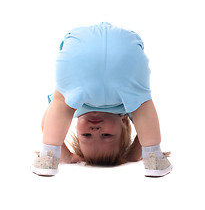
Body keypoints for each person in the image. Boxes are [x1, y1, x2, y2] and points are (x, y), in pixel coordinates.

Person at [31, 22, 172, 177]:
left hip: (81, 54)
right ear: (124, 122)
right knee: (142, 106)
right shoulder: (126, 108)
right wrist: (132, 153)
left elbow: (46, 123)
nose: (95, 131)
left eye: (87, 136)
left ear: (76, 128)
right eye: (106, 136)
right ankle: (153, 158)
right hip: (124, 56)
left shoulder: (75, 103)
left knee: (60, 102)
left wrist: (66, 155)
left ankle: (49, 157)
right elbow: (146, 126)